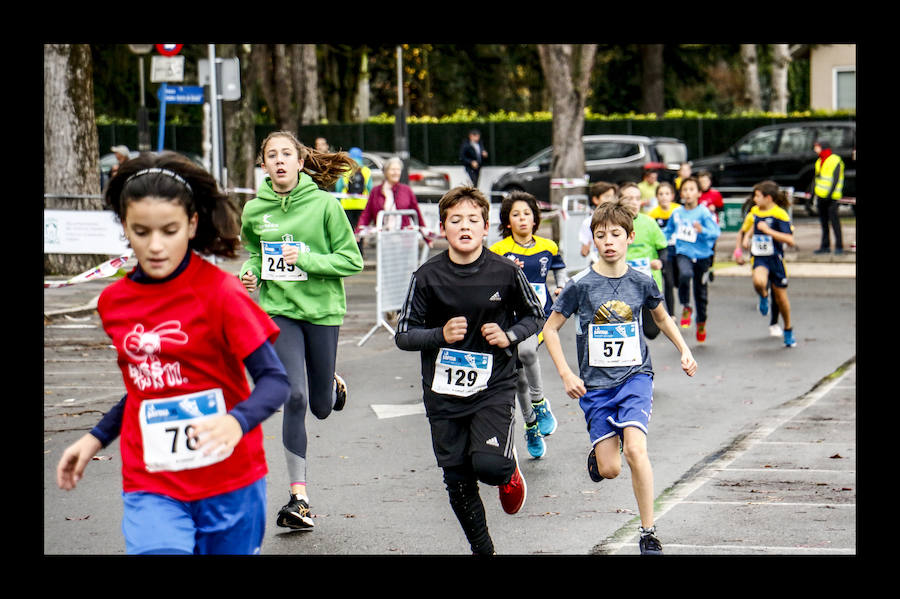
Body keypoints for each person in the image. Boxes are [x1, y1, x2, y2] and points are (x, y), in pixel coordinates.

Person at [56, 152, 291, 555]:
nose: (156, 245)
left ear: (192, 224)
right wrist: (95, 438)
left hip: (230, 480)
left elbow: (275, 381)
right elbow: (144, 387)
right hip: (152, 479)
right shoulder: (114, 302)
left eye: (169, 230)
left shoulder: (222, 293)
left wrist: (236, 422)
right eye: (141, 231)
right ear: (125, 229)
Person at [394, 186, 546, 555]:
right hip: (443, 392)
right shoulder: (427, 276)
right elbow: (403, 334)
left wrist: (509, 335)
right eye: (455, 220)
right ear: (443, 227)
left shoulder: (506, 271)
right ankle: (484, 550)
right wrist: (439, 335)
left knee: (490, 466)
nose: (465, 226)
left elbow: (535, 315)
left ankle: (508, 471)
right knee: (458, 480)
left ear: (486, 227)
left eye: (473, 220)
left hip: (492, 385)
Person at [541, 198, 697, 556]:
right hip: (595, 386)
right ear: (593, 240)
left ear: (629, 237)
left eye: (615, 234)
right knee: (610, 469)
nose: (608, 240)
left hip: (635, 377)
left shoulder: (642, 281)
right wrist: (566, 374)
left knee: (636, 450)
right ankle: (598, 459)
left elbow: (661, 318)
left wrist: (683, 349)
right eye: (600, 235)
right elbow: (550, 330)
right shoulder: (580, 285)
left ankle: (648, 532)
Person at [240, 131, 364, 531]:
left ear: (299, 161)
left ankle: (329, 383)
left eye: (286, 154)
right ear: (264, 166)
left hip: (323, 310)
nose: (279, 161)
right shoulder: (254, 210)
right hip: (279, 311)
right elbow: (256, 254)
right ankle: (299, 498)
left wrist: (308, 259)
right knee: (293, 395)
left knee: (321, 407)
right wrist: (250, 273)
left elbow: (351, 260)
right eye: (271, 156)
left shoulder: (326, 205)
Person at [489, 191, 567, 459]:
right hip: (508, 318)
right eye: (516, 214)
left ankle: (540, 403)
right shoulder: (498, 251)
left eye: (527, 213)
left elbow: (560, 270)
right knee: (518, 377)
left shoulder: (548, 246)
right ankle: (531, 425)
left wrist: (561, 287)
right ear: (507, 222)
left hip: (537, 315)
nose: (522, 218)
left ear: (535, 218)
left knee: (527, 352)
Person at [733, 180, 797, 347]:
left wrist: (769, 231)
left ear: (768, 198)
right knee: (758, 282)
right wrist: (743, 242)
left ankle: (788, 328)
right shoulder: (754, 212)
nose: (754, 199)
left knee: (781, 297)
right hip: (759, 257)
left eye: (758, 196)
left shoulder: (780, 214)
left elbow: (790, 240)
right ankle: (763, 295)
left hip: (775, 259)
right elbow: (744, 230)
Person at [662, 176, 720, 342]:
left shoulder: (703, 212)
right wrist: (659, 242)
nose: (687, 193)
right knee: (684, 275)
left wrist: (702, 230)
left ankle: (701, 321)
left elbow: (715, 232)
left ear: (698, 193)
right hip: (683, 252)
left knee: (700, 292)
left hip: (702, 256)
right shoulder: (677, 213)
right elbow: (668, 231)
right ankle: (686, 305)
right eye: (684, 190)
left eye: (691, 190)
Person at [618, 183, 669, 340]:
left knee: (652, 331)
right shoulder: (614, 224)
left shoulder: (649, 222)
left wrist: (660, 262)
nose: (634, 202)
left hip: (648, 282)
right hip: (621, 283)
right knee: (626, 330)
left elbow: (663, 249)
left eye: (638, 198)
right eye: (629, 198)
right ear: (619, 200)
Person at [647, 182, 680, 317]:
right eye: (661, 194)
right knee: (669, 282)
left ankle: (685, 299)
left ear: (672, 196)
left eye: (667, 194)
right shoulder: (652, 214)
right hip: (665, 252)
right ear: (656, 197)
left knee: (681, 278)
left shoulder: (678, 210)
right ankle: (671, 314)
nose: (664, 197)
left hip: (679, 251)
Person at [812, 140, 845, 254]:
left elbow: (836, 179)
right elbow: (816, 179)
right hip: (821, 196)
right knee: (824, 223)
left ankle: (839, 246)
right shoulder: (819, 161)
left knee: (835, 222)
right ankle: (825, 246)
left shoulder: (835, 160)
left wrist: (830, 194)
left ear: (823, 147)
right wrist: (812, 195)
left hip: (832, 198)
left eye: (817, 147)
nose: (815, 149)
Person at [335, 147, 373, 233]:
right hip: (362, 204)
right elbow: (370, 188)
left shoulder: (344, 169)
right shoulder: (366, 170)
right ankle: (359, 246)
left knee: (348, 231)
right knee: (360, 230)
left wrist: (338, 201)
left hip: (346, 204)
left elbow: (338, 187)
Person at [579, 181, 618, 262]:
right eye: (607, 196)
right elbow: (584, 251)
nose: (610, 200)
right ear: (595, 199)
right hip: (597, 262)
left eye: (612, 197)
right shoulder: (588, 222)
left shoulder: (619, 219)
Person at [696, 170, 724, 282]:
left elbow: (722, 208)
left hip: (711, 227)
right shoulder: (696, 194)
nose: (704, 184)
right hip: (698, 226)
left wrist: (715, 208)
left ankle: (710, 268)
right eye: (701, 181)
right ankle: (702, 268)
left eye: (706, 181)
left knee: (711, 248)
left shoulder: (715, 194)